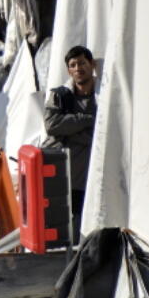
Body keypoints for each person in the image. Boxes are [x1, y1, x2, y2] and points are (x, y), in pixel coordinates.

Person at [43, 45, 98, 238]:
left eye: (82, 63)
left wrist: (71, 131)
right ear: (68, 70)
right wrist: (87, 120)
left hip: (88, 181)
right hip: (61, 180)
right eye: (73, 65)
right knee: (60, 235)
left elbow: (101, 135)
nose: (78, 68)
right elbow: (52, 125)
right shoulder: (60, 95)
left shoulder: (102, 96)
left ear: (92, 64)